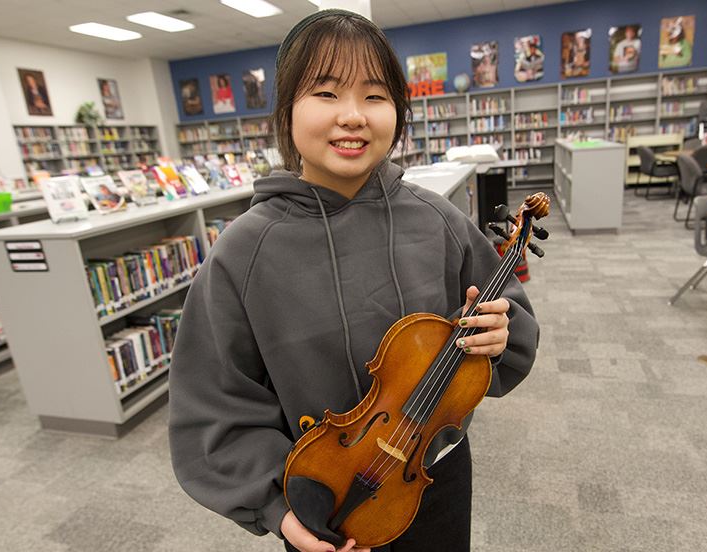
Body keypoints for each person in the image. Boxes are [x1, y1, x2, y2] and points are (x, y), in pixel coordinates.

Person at [168, 9, 539, 552]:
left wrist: (498, 336)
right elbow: (215, 406)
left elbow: (509, 321)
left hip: (435, 473)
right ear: (287, 110)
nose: (352, 116)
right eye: (324, 93)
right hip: (324, 499)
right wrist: (279, 506)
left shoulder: (438, 221)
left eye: (374, 96)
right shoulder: (243, 252)